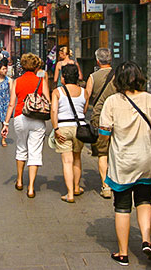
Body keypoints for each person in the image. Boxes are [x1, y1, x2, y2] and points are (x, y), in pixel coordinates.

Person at [99, 61, 151, 266]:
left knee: (122, 206)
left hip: (123, 161)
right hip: (147, 160)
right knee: (144, 200)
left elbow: (104, 134)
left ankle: (123, 253)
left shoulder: (112, 102)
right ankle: (146, 240)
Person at [2, 53, 50, 199]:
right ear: (36, 66)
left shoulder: (17, 81)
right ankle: (31, 188)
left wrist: (5, 123)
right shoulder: (41, 81)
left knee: (21, 147)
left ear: (22, 66)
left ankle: (19, 180)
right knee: (35, 151)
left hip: (20, 116)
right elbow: (47, 100)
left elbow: (11, 103)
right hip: (37, 118)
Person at [50, 64, 88, 203]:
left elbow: (54, 111)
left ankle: (70, 194)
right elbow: (84, 111)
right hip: (80, 128)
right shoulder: (84, 92)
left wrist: (55, 128)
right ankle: (77, 187)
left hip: (63, 126)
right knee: (77, 158)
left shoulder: (57, 92)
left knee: (67, 161)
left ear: (63, 77)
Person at [86, 48, 115, 199]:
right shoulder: (118, 76)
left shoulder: (93, 77)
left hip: (99, 118)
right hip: (117, 117)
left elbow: (87, 97)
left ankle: (106, 186)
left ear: (98, 61)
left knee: (102, 152)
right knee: (117, 150)